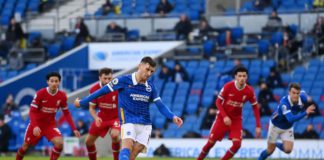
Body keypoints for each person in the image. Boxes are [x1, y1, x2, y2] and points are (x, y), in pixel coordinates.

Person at [74, 56, 183, 160]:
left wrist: (172, 116)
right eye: (147, 69)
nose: (149, 73)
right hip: (128, 120)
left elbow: (160, 105)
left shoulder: (150, 86)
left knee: (135, 152)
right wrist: (82, 102)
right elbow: (101, 91)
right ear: (140, 66)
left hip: (145, 124)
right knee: (127, 146)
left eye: (152, 71)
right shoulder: (123, 80)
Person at [197, 66, 261, 160]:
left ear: (246, 77)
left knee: (237, 145)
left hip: (236, 120)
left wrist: (258, 126)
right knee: (210, 143)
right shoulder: (228, 86)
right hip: (222, 118)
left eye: (244, 76)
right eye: (240, 76)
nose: (242, 78)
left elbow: (255, 107)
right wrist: (225, 116)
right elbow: (218, 102)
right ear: (235, 77)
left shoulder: (249, 91)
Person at [16, 72, 81, 160]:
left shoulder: (62, 96)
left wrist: (74, 129)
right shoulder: (40, 93)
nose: (54, 83)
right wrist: (34, 126)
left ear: (59, 82)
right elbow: (32, 111)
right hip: (36, 124)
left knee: (60, 143)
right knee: (25, 146)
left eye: (56, 81)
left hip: (49, 125)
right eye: (52, 81)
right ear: (48, 82)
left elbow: (66, 113)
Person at [258, 83, 316, 160]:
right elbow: (290, 119)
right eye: (293, 93)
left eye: (297, 93)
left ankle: (275, 144)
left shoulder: (303, 98)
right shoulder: (284, 103)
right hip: (275, 126)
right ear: (289, 92)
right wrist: (305, 112)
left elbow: (304, 96)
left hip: (287, 127)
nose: (295, 95)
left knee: (288, 150)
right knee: (269, 150)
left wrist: (304, 109)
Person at [85, 68, 120, 160]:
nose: (108, 81)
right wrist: (96, 118)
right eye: (105, 78)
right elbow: (91, 108)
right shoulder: (94, 89)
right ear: (100, 77)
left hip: (115, 118)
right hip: (101, 118)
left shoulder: (118, 88)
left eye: (109, 78)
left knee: (115, 135)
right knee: (88, 142)